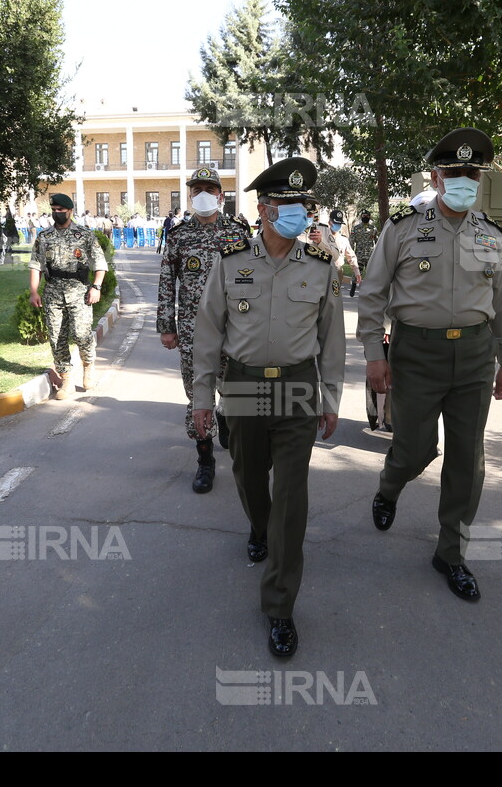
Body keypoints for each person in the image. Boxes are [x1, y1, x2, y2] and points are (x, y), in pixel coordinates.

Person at [356, 127, 502, 603]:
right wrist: (373, 354)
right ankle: (390, 485)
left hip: (474, 356)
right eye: (454, 172)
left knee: (468, 460)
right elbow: (373, 294)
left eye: (472, 172)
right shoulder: (403, 226)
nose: (464, 179)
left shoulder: (490, 235)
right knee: (414, 450)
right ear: (436, 176)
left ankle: (451, 554)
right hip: (415, 354)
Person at [192, 157, 344, 658]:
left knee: (293, 495)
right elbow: (209, 333)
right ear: (264, 209)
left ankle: (280, 605)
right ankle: (259, 526)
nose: (299, 213)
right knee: (249, 477)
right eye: (289, 204)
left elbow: (332, 341)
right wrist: (202, 399)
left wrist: (330, 398)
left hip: (298, 386)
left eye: (304, 204)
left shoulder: (321, 267)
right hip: (244, 384)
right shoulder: (231, 261)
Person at [157, 168, 246, 493]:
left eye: (210, 188)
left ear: (221, 195)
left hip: (234, 329)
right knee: (197, 395)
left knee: (234, 391)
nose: (204, 194)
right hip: (193, 332)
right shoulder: (179, 235)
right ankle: (205, 461)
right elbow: (167, 283)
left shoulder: (238, 231)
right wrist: (167, 326)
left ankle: (226, 423)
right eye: (198, 189)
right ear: (190, 196)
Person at [28, 193, 108, 400]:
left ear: (70, 211)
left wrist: (96, 287)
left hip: (79, 291)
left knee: (81, 334)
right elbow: (36, 265)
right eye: (54, 210)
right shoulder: (44, 237)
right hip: (53, 292)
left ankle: (88, 366)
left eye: (60, 211)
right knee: (56, 338)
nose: (57, 214)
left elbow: (100, 263)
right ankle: (66, 380)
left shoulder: (84, 235)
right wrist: (34, 291)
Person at [348, 209, 378, 297]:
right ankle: (353, 288)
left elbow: (377, 241)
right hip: (359, 254)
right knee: (357, 273)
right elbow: (351, 241)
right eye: (364, 216)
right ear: (361, 216)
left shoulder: (373, 228)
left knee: (370, 273)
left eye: (367, 216)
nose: (365, 217)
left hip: (370, 255)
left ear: (370, 217)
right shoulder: (356, 228)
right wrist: (351, 253)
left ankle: (370, 291)